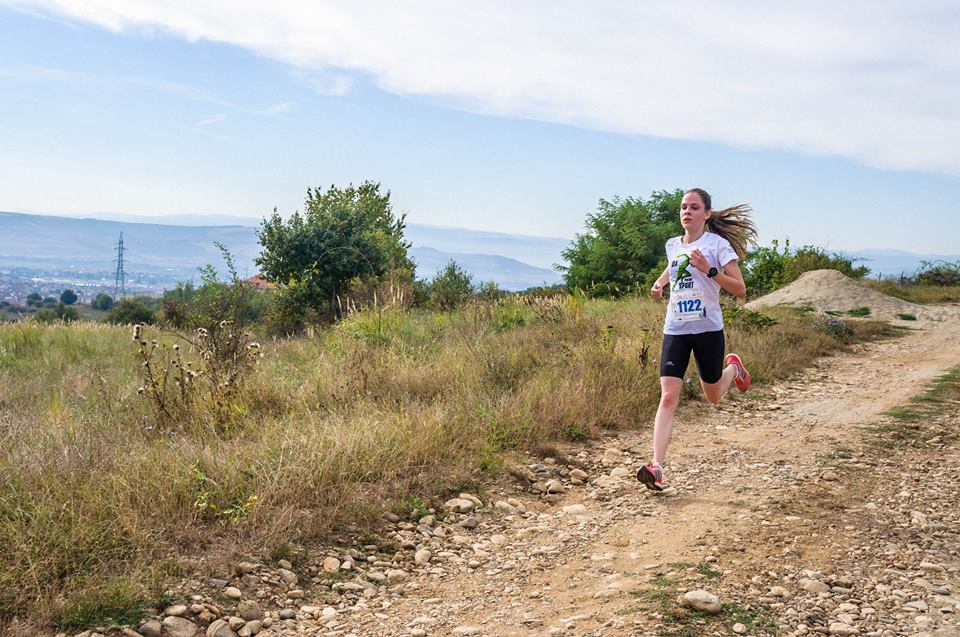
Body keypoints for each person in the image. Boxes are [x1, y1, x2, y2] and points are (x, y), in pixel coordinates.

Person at [636, 188, 758, 492]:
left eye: (693, 207)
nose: (686, 212)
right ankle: (657, 466)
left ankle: (733, 370)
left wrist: (710, 270)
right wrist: (660, 283)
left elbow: (740, 290)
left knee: (713, 396)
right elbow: (674, 264)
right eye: (683, 207)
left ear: (706, 214)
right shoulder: (671, 244)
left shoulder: (718, 245)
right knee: (668, 395)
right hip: (676, 328)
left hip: (707, 329)